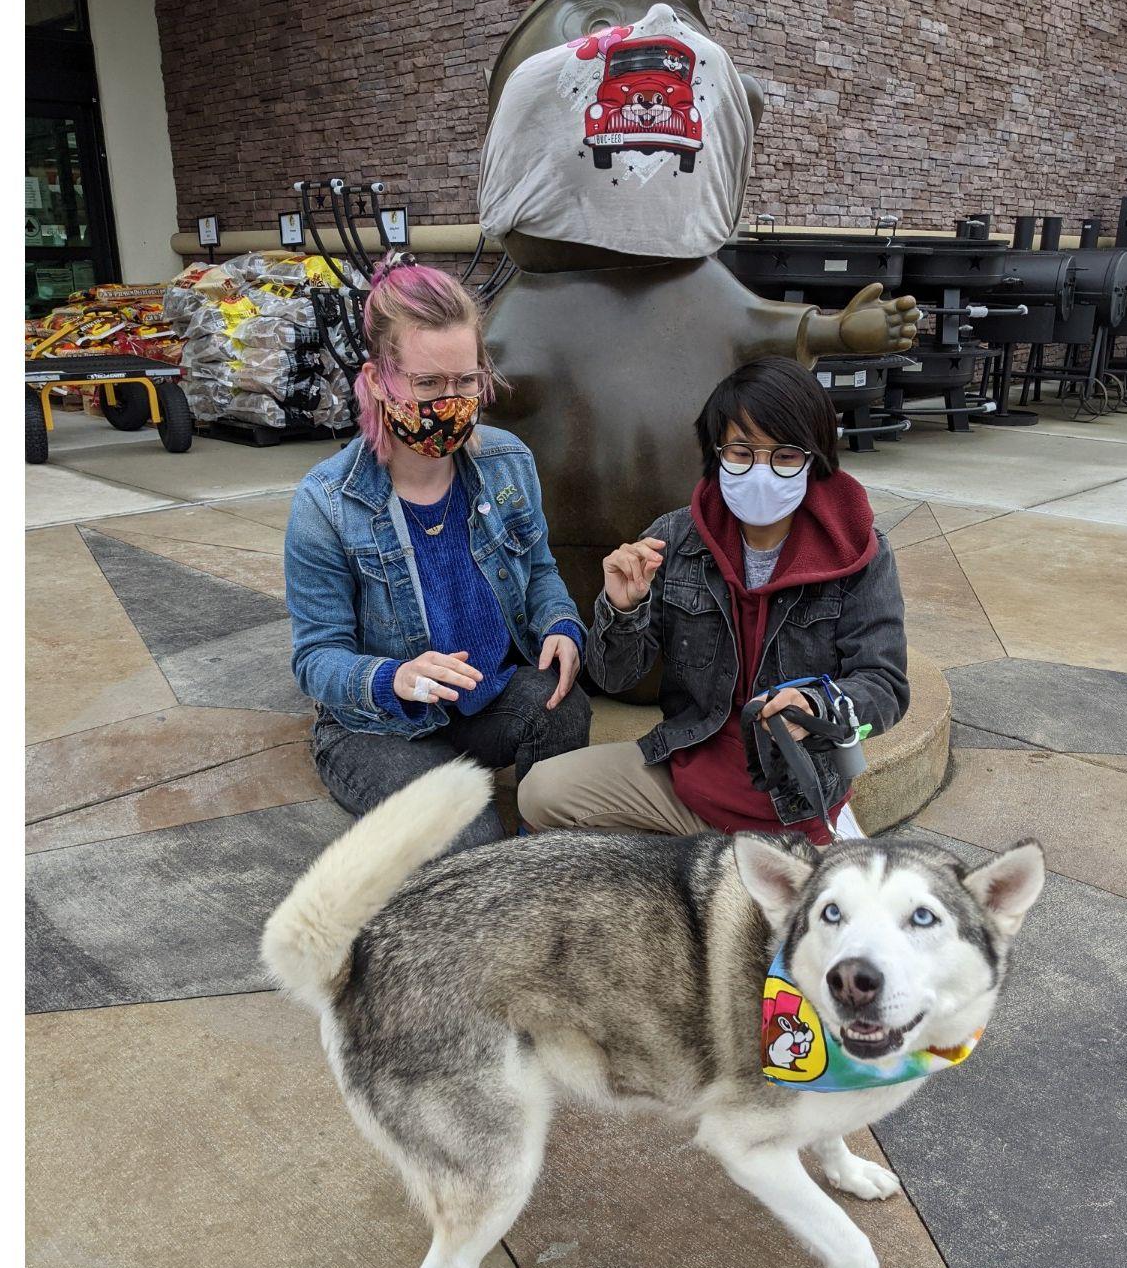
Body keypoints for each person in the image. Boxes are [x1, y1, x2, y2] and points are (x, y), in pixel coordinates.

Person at [517, 355, 908, 845]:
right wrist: (621, 609)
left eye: (784, 455)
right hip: (686, 777)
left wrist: (815, 705)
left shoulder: (859, 551)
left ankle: (717, 860)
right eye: (741, 452)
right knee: (541, 791)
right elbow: (615, 675)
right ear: (715, 452)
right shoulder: (675, 538)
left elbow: (885, 685)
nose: (760, 472)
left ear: (816, 460)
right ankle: (682, 855)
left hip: (794, 806)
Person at [285, 254, 591, 851]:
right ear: (378, 380)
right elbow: (316, 658)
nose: (450, 403)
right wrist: (395, 677)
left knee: (561, 706)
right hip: (377, 728)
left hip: (483, 703)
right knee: (470, 837)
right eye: (427, 384)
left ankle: (547, 861)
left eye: (466, 381)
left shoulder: (508, 462)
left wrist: (559, 622)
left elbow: (540, 571)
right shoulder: (326, 503)